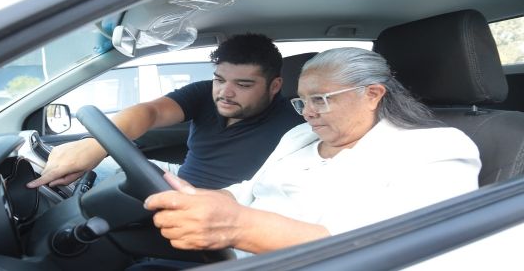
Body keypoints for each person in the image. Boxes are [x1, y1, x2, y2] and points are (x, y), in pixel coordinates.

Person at [141, 47, 481, 266]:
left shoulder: (438, 149)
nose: (308, 113)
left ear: (373, 95)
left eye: (321, 99)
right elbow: (249, 190)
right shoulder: (300, 136)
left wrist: (235, 226)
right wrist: (192, 196)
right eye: (302, 101)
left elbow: (378, 248)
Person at [27, 33, 304, 190]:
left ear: (275, 85)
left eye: (243, 84)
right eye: (220, 79)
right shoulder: (203, 94)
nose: (225, 92)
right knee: (44, 164)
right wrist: (96, 144)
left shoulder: (295, 125)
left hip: (213, 205)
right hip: (176, 177)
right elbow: (150, 113)